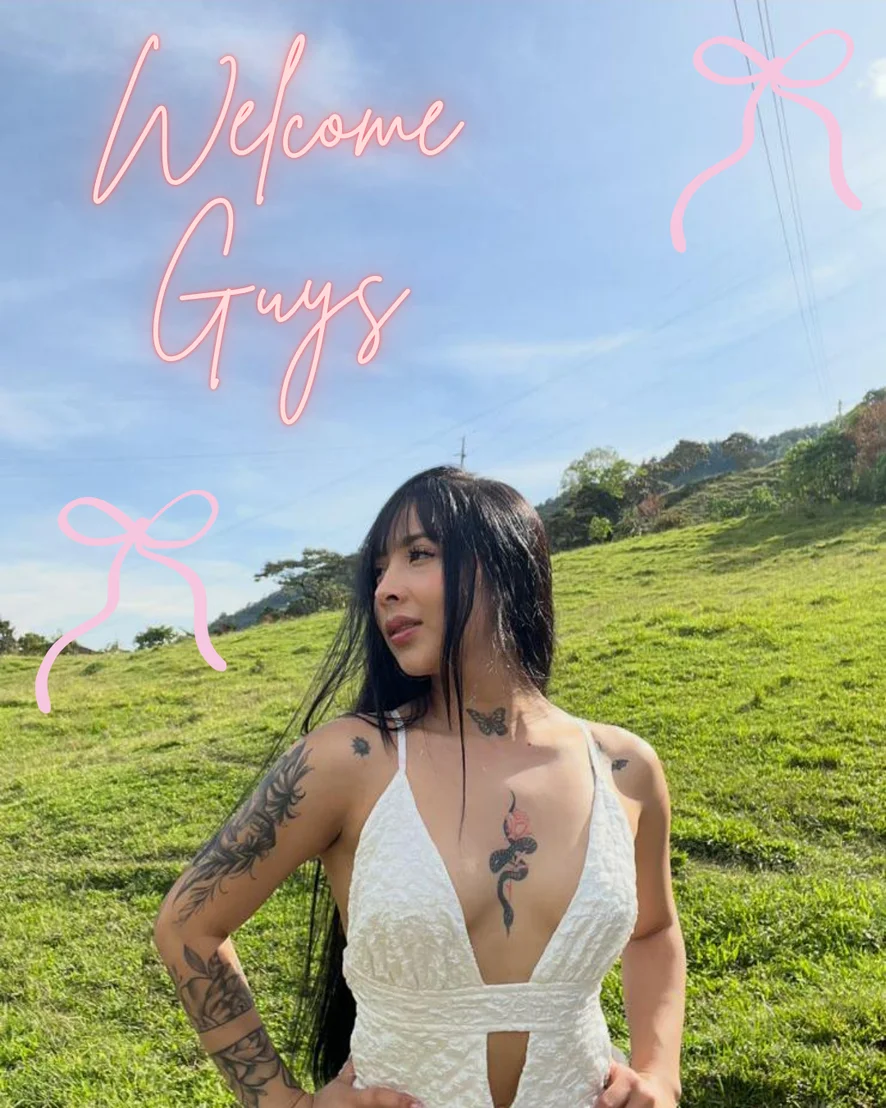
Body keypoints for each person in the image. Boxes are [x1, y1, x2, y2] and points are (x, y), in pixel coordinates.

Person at [152, 465, 685, 1108]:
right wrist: (283, 1103)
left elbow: (653, 931)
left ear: (505, 562)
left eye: (419, 554)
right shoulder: (349, 760)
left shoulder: (624, 768)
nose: (385, 589)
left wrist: (660, 1073)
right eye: (380, 570)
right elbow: (188, 926)